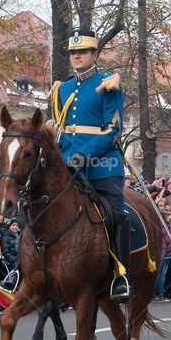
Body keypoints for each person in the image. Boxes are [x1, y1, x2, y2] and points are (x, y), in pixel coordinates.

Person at [51, 28, 131, 300]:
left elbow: (113, 130)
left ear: (95, 54)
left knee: (115, 215)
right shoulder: (62, 89)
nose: (76, 56)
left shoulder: (107, 83)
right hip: (66, 166)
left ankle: (119, 275)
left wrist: (83, 156)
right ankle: (24, 270)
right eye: (73, 53)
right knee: (39, 206)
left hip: (101, 166)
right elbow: (60, 128)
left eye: (82, 52)